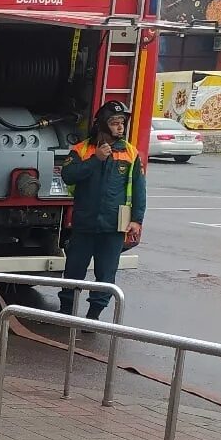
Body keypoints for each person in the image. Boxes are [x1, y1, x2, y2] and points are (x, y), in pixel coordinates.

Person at [58, 101, 144, 323]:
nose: (119, 127)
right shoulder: (82, 150)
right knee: (74, 269)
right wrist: (96, 159)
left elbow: (138, 189)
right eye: (114, 123)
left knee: (106, 273)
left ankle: (94, 316)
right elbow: (68, 175)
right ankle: (66, 310)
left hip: (113, 225)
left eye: (122, 123)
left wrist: (136, 220)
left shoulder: (130, 153)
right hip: (84, 223)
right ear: (101, 125)